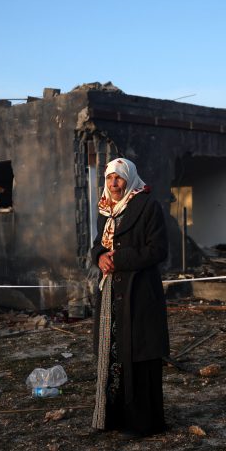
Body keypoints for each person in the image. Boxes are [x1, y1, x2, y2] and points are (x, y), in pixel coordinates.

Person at [90, 158, 168, 436]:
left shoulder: (147, 206)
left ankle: (142, 422)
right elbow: (98, 244)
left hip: (139, 293)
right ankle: (112, 418)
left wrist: (119, 259)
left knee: (139, 354)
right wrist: (100, 257)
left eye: (119, 178)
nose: (114, 183)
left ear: (130, 179)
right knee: (112, 353)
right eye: (110, 178)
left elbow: (158, 249)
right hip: (111, 293)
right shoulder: (104, 209)